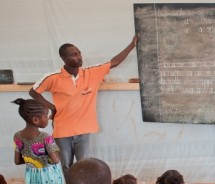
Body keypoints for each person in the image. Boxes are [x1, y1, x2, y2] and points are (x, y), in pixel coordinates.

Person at [29, 36, 138, 175]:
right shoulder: (53, 77)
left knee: (84, 165)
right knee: (66, 165)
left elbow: (114, 62)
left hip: (84, 129)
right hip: (63, 130)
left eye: (79, 53)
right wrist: (51, 107)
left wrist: (132, 45)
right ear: (64, 58)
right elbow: (33, 92)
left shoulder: (91, 73)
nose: (79, 57)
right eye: (74, 55)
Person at [12, 98, 67, 184]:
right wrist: (59, 149)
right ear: (36, 119)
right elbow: (55, 160)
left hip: (31, 176)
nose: (48, 119)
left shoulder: (17, 136)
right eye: (46, 116)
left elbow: (17, 161)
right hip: (49, 176)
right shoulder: (45, 137)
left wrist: (32, 160)